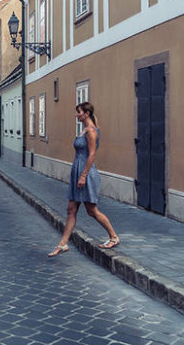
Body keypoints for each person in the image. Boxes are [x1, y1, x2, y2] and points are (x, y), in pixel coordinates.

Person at [48, 101, 119, 257]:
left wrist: (83, 176)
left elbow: (92, 154)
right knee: (71, 209)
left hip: (86, 174)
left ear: (86, 114)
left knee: (92, 210)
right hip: (78, 172)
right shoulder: (84, 130)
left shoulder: (91, 132)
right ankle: (63, 244)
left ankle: (114, 237)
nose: (76, 114)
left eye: (78, 112)